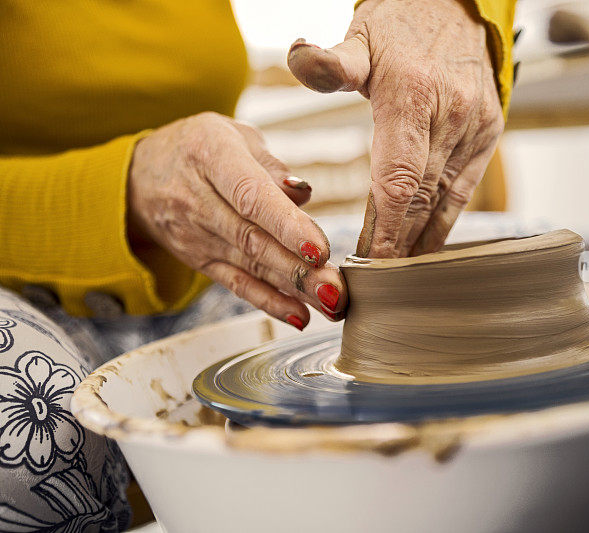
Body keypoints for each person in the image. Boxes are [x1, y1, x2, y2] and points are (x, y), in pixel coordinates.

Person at [0, 0, 516, 529]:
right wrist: (124, 190)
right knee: (33, 449)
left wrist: (455, 10)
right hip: (19, 268)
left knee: (503, 289)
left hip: (204, 250)